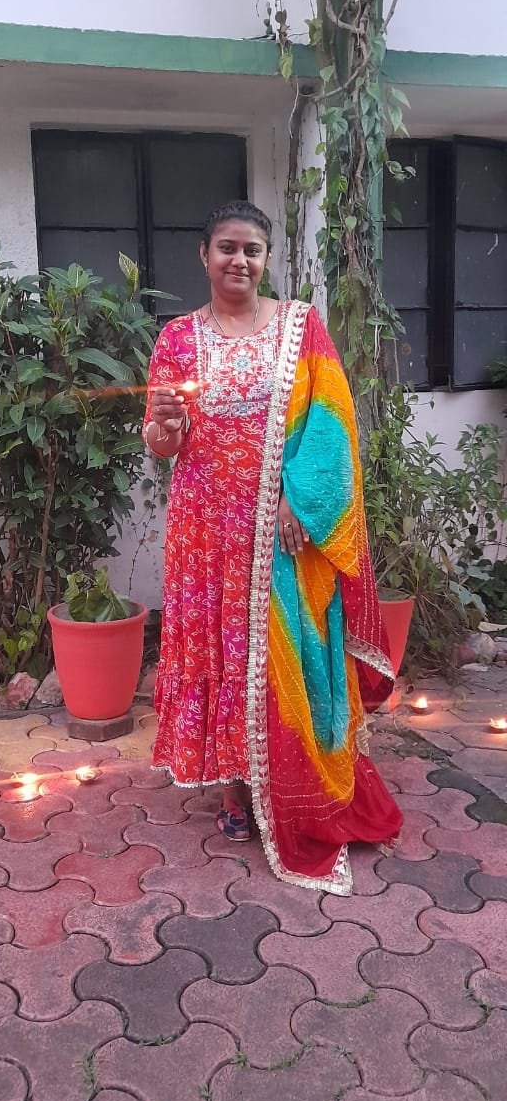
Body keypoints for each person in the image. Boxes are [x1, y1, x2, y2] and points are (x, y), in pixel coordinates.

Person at [143, 200, 402, 895]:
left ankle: (295, 774)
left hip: (282, 528)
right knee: (224, 650)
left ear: (266, 259)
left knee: (288, 645)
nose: (239, 260)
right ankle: (236, 786)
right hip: (205, 532)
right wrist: (165, 425)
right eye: (227, 247)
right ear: (205, 256)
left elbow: (331, 420)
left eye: (252, 250)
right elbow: (162, 443)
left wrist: (301, 501)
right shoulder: (176, 339)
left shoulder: (299, 326)